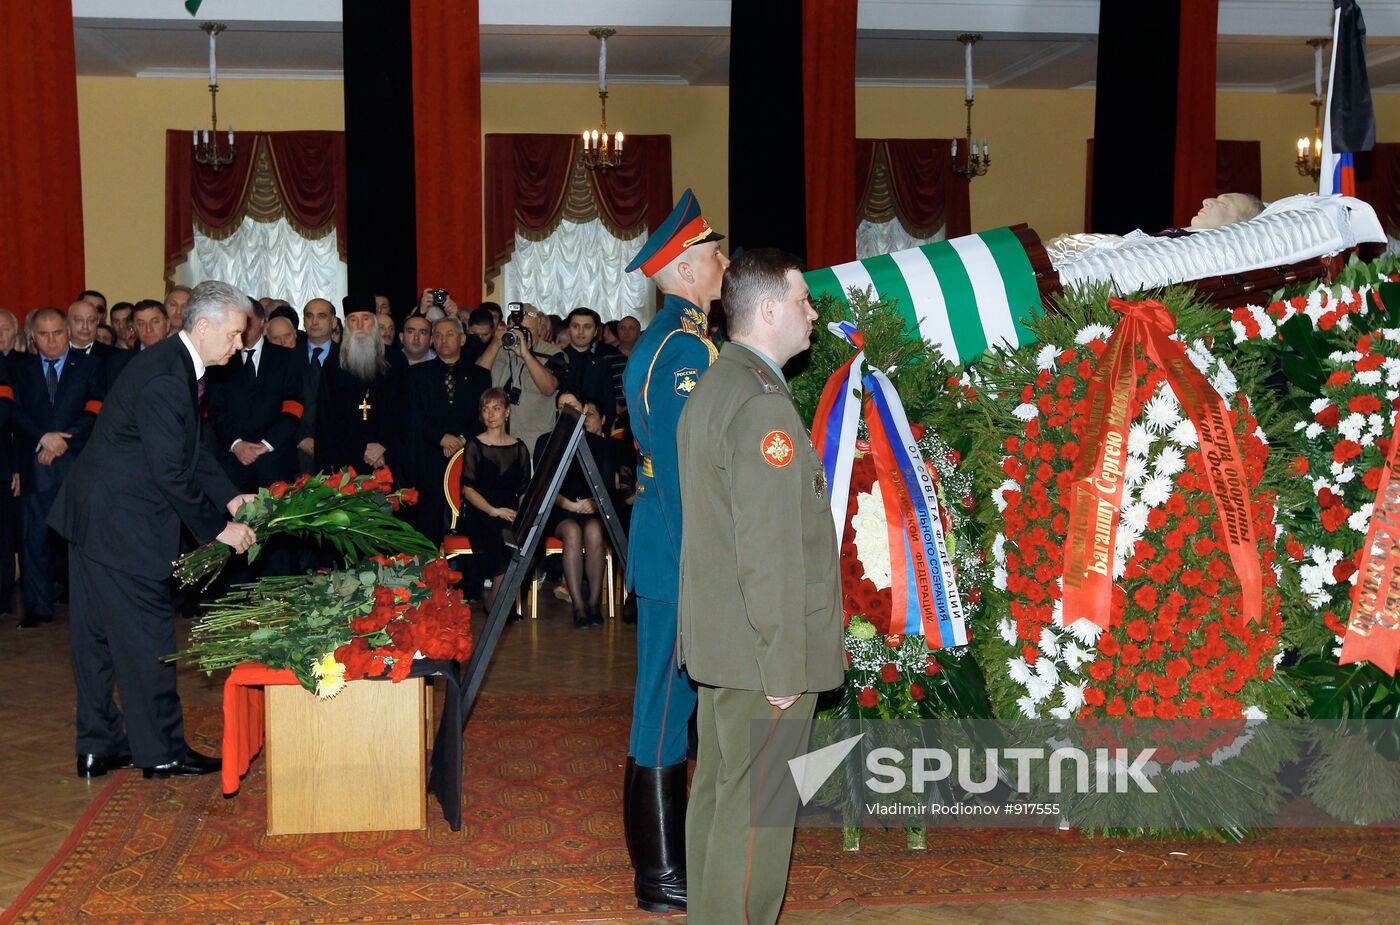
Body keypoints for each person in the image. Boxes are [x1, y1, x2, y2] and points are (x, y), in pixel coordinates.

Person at [677, 248, 841, 925]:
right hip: (761, 651)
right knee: (756, 819)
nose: (813, 313)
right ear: (770, 310)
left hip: (725, 640)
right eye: (803, 300)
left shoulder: (719, 384)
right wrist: (783, 662)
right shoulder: (762, 406)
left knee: (721, 798)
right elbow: (768, 551)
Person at [49, 279, 257, 781]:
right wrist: (219, 530)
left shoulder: (172, 363)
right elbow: (171, 472)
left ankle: (99, 745)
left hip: (95, 516)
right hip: (123, 524)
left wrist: (230, 496)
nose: (240, 344)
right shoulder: (167, 376)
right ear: (203, 326)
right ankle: (161, 751)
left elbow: (190, 448)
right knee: (148, 638)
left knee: (96, 638)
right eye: (234, 334)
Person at [618, 187, 728, 912]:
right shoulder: (683, 348)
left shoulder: (676, 340)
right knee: (664, 704)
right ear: (685, 270)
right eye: (715, 254)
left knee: (666, 698)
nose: (725, 263)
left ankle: (660, 861)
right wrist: (703, 566)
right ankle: (660, 872)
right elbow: (687, 470)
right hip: (677, 547)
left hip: (666, 543)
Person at [11, 308, 107, 628]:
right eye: (44, 334)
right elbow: (12, 412)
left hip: (77, 463)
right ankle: (38, 607)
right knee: (33, 539)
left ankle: (89, 605)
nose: (51, 341)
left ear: (67, 333)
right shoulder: (18, 368)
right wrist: (43, 438)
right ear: (32, 338)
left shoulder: (90, 365)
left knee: (83, 540)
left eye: (57, 333)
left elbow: (96, 407)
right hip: (35, 464)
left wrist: (64, 441)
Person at [403, 317, 490, 543]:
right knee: (428, 522)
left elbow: (483, 417)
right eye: (438, 335)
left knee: (466, 524)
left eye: (450, 334)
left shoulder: (480, 376)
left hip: (467, 458)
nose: (444, 340)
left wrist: (462, 439)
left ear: (462, 339)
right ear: (432, 340)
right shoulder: (417, 374)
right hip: (428, 457)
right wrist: (440, 437)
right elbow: (413, 415)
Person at [534, 393, 615, 628]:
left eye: (571, 405)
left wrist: (593, 502)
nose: (565, 410)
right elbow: (543, 486)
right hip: (559, 509)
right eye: (561, 407)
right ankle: (578, 606)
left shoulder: (600, 444)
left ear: (584, 408)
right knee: (572, 531)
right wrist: (569, 505)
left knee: (594, 531)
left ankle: (594, 603)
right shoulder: (546, 441)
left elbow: (608, 486)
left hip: (591, 508)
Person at [207, 299, 304, 492]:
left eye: (248, 321)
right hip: (233, 463)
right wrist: (236, 444)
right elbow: (215, 409)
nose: (243, 328)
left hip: (276, 461)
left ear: (263, 323)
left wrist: (266, 444)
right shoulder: (221, 359)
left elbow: (294, 405)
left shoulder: (286, 358)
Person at [458, 388, 531, 613]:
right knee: (500, 536)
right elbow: (468, 489)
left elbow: (525, 490)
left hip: (510, 511)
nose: (490, 414)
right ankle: (497, 606)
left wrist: (522, 515)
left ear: (507, 412)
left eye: (496, 408)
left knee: (523, 536)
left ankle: (495, 601)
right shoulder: (474, 445)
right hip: (481, 511)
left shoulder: (520, 448)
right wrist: (493, 510)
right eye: (485, 409)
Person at [313, 299, 398, 475]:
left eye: (365, 318)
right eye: (353, 319)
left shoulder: (395, 361)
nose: (359, 325)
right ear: (346, 325)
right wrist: (362, 447)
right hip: (344, 458)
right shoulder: (333, 364)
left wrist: (383, 444)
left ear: (374, 323)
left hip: (388, 455)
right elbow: (327, 417)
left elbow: (404, 410)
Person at [475, 302, 563, 452]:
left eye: (526, 330)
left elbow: (549, 388)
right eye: (517, 329)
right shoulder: (501, 349)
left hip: (533, 444)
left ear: (540, 330)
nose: (520, 334)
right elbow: (475, 378)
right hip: (496, 442)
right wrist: (495, 344)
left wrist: (526, 355)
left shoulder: (553, 353)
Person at [296, 298, 339, 472]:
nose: (314, 322)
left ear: (333, 322)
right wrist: (300, 438)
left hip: (337, 449)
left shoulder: (347, 357)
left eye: (321, 316)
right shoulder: (288, 358)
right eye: (309, 316)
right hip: (297, 452)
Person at [558, 307, 623, 417]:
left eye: (587, 327)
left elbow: (608, 402)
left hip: (593, 423)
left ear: (595, 332)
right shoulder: (557, 359)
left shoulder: (601, 364)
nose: (580, 332)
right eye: (575, 326)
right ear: (568, 330)